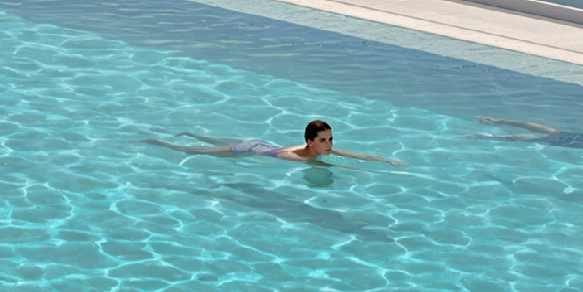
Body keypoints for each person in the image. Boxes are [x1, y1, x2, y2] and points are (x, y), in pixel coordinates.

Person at [153, 120, 400, 165]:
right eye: (323, 140)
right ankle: (155, 141)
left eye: (331, 139)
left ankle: (191, 132)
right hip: (249, 149)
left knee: (213, 144)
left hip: (262, 144)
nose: (329, 145)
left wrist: (388, 161)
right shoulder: (302, 157)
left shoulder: (318, 151)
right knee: (195, 151)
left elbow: (355, 156)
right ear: (310, 142)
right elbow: (337, 166)